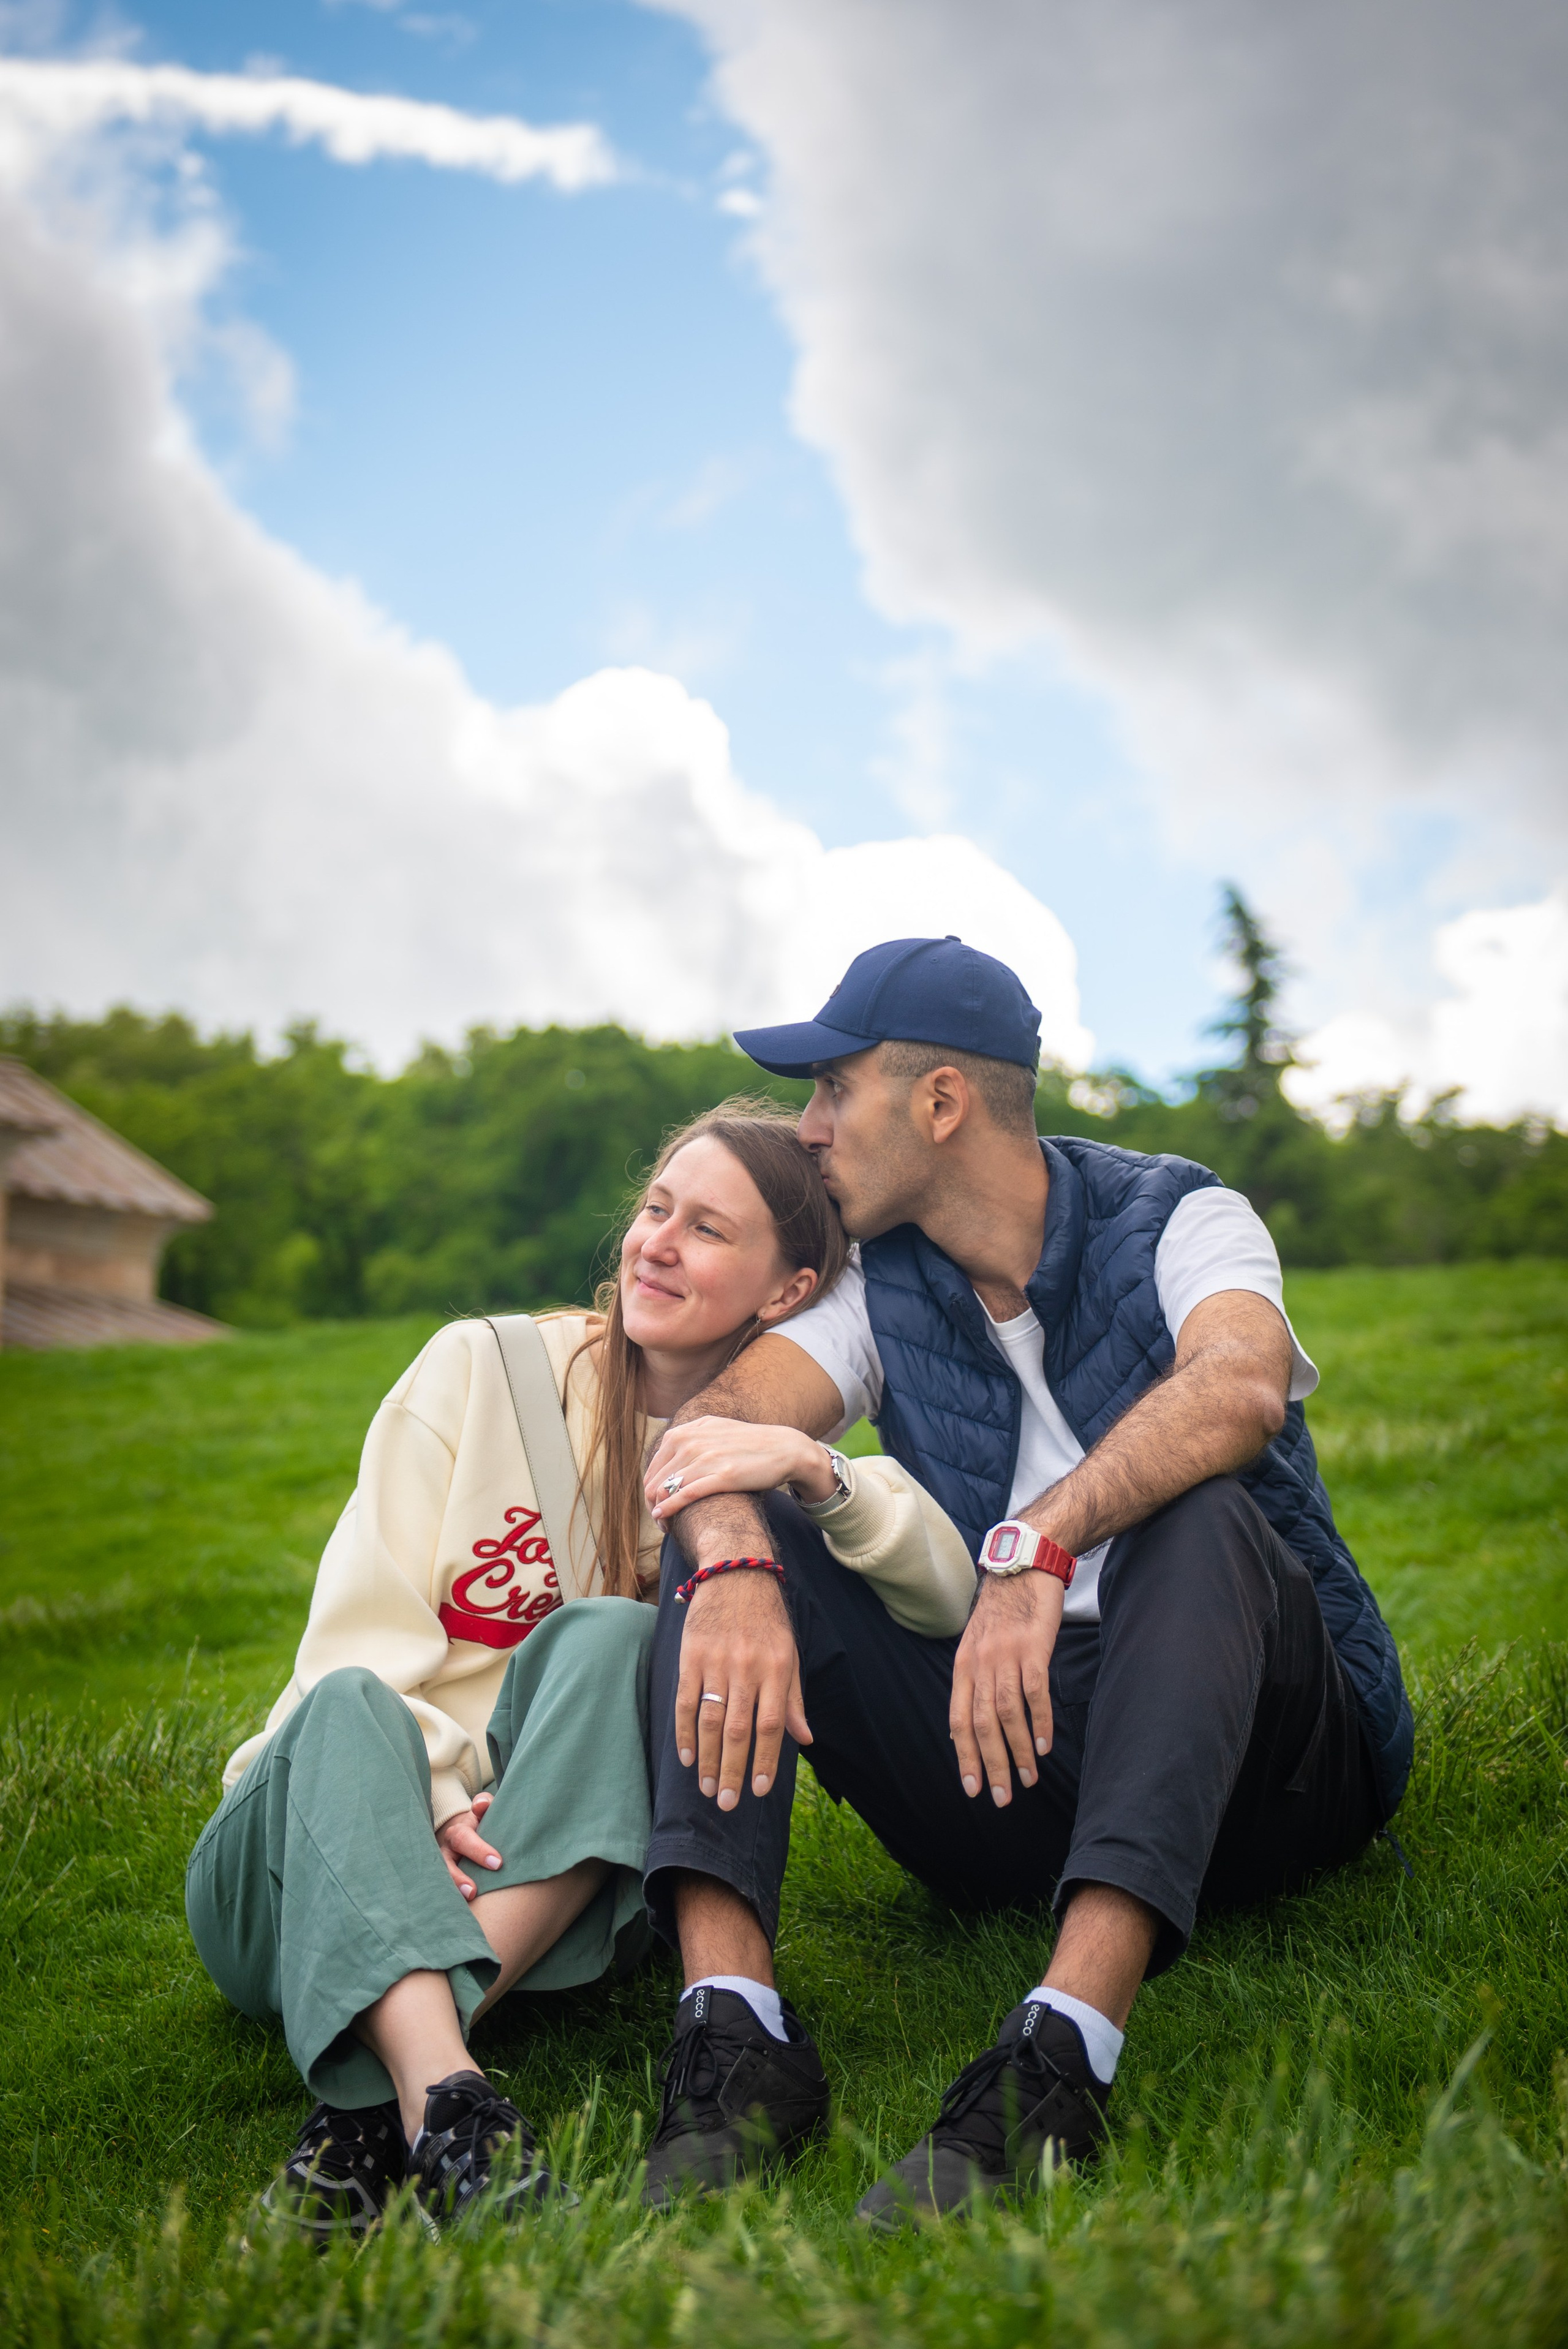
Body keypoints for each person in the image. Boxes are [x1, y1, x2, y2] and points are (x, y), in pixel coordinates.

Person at [638, 937, 1412, 2223]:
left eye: (833, 1091)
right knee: (734, 1520)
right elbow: (712, 1426)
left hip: (1271, 1761)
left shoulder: (1178, 1215)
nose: (809, 1129)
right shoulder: (876, 1287)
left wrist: (1035, 1541)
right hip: (1021, 1759)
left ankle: (1059, 2055)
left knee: (1194, 1509)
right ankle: (735, 2032)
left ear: (939, 1103)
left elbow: (1235, 1389)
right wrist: (728, 1564)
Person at [186, 1099, 976, 2236]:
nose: (656, 1240)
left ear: (790, 1290)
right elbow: (349, 1647)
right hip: (299, 1870)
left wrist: (812, 1464)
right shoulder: (479, 1365)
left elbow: (945, 1591)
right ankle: (445, 2090)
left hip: (520, 1889)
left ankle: (403, 2102)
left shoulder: (736, 1467)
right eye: (656, 1208)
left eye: (707, 1230)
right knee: (361, 1702)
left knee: (623, 1639)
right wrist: (435, 1795)